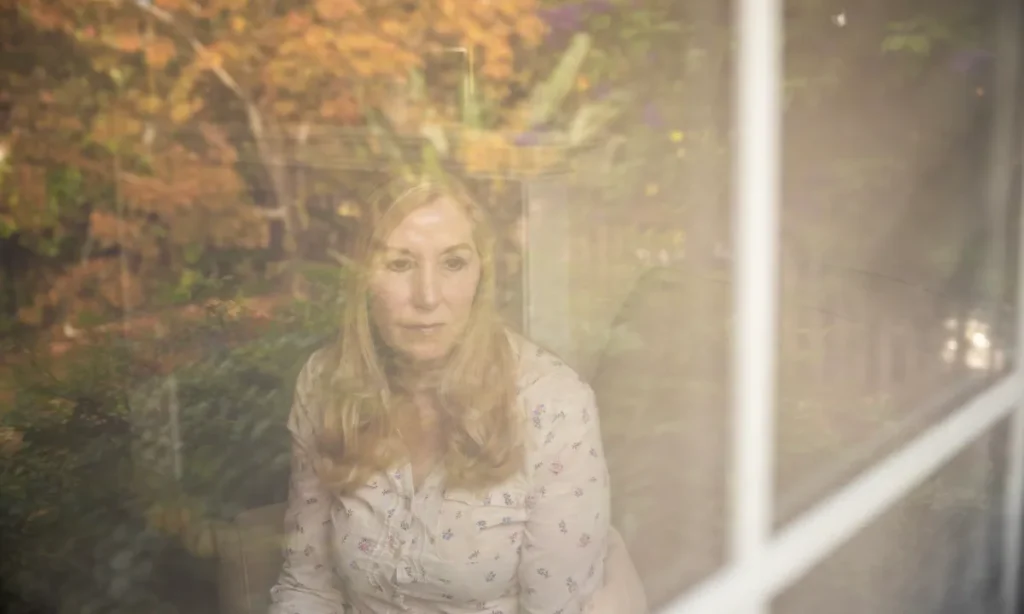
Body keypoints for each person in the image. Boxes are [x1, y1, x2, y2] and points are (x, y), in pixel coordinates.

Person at [268, 176, 646, 614]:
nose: (428, 297)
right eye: (399, 264)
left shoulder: (554, 404)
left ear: (481, 277)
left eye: (453, 263)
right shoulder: (325, 382)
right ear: (363, 280)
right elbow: (308, 587)